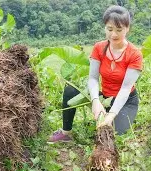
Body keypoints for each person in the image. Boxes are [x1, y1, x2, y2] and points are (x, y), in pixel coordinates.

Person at [48, 5, 143, 143]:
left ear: (127, 28)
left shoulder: (134, 54)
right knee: (70, 90)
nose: (114, 35)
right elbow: (93, 78)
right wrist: (95, 101)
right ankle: (66, 133)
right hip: (104, 95)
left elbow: (125, 88)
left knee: (115, 132)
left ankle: (113, 116)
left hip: (125, 100)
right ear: (105, 27)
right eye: (109, 29)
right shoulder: (99, 47)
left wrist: (111, 115)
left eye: (119, 30)